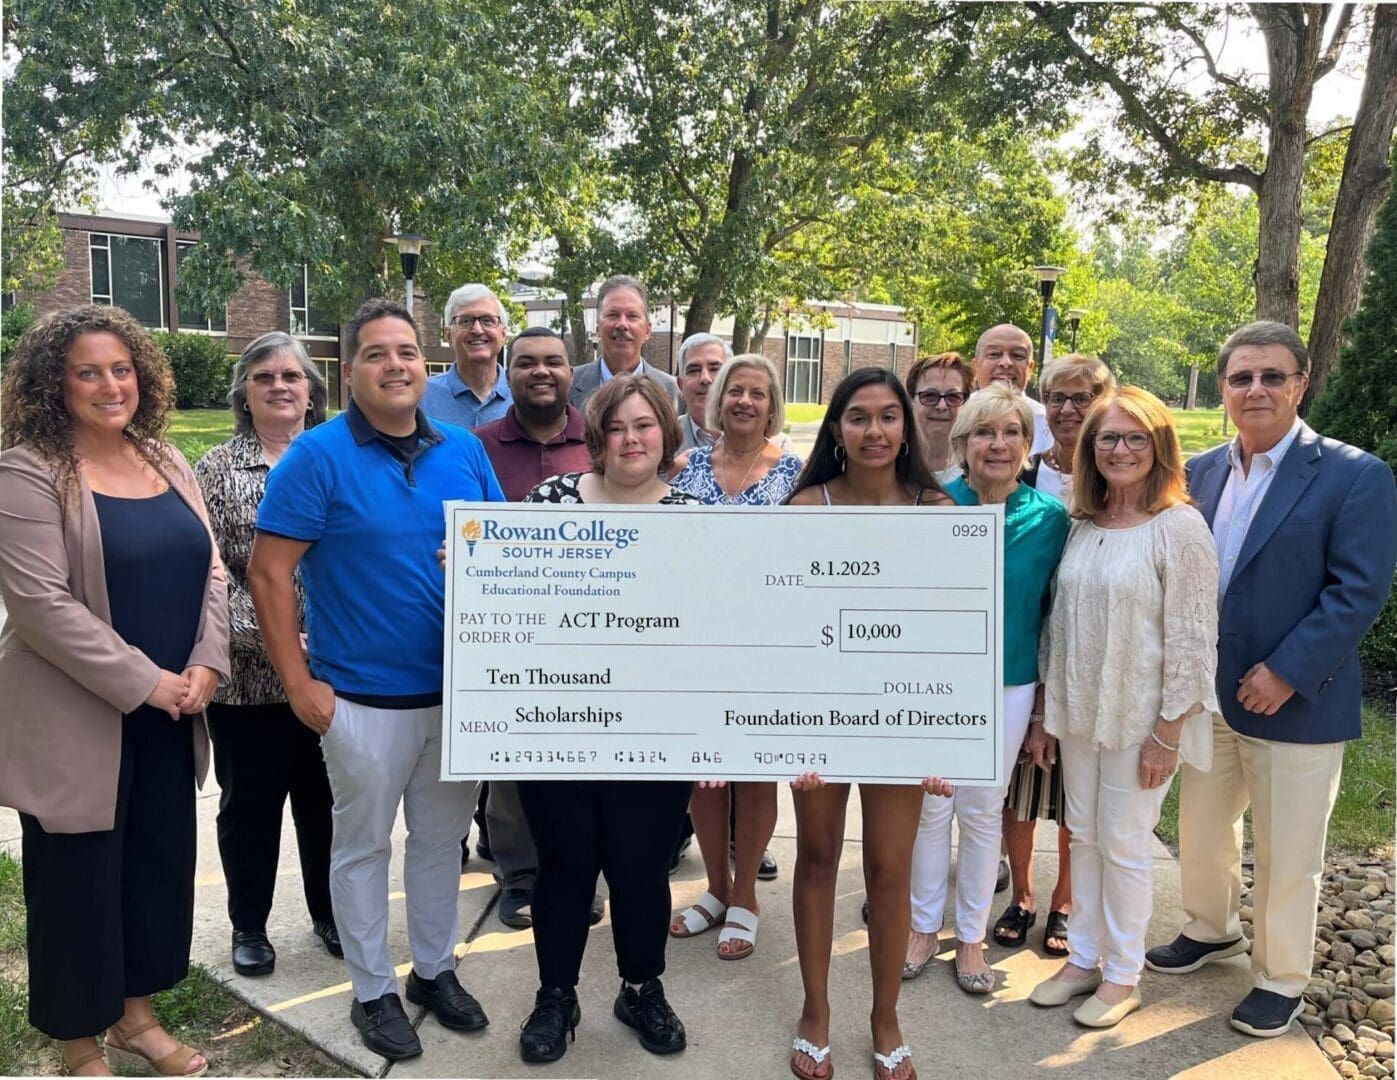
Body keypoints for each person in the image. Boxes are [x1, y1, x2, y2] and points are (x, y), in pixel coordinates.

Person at [248, 298, 505, 1062]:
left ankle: (433, 970)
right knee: (362, 848)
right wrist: (299, 685)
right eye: (376, 354)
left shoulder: (462, 449)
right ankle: (371, 990)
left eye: (407, 352)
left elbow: (501, 557)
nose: (396, 365)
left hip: (454, 696)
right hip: (360, 697)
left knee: (439, 842)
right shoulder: (316, 457)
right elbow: (268, 574)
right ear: (349, 371)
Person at [1146, 321, 1397, 1038]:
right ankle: (1209, 925)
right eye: (1240, 378)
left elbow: (1357, 591)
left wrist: (1286, 673)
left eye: (1271, 376)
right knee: (1200, 829)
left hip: (1296, 701)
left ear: (1300, 383)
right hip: (1207, 695)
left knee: (1288, 852)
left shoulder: (1354, 474)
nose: (1254, 389)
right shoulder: (1197, 472)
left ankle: (1280, 977)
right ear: (1223, 388)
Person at [0, 305, 230, 1078]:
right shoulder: (27, 471)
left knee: (154, 869)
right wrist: (149, 683)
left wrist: (204, 665)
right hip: (78, 720)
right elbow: (42, 609)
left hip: (172, 711)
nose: (110, 385)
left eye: (122, 368)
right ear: (52, 383)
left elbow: (214, 570)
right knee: (75, 888)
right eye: (87, 372)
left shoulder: (166, 459)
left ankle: (135, 1019)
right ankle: (76, 1045)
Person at [513, 375, 700, 1066]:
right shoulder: (547, 503)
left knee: (640, 867)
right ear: (597, 436)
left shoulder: (694, 519)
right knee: (562, 866)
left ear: (665, 436)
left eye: (645, 426)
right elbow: (510, 601)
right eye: (618, 427)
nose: (631, 439)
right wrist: (472, 568)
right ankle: (555, 996)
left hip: (655, 733)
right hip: (558, 722)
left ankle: (639, 987)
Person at [1029, 386, 1220, 1028]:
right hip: (1080, 712)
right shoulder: (1083, 524)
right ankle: (1083, 958)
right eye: (1108, 438)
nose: (1120, 449)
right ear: (1090, 449)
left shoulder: (1180, 527)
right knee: (1082, 837)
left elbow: (1194, 638)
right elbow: (1058, 625)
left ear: (1159, 446)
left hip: (1142, 719)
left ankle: (1122, 974)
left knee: (1126, 844)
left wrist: (1169, 731)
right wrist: (1048, 714)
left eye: (1135, 437)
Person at [783, 368, 954, 1080]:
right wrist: (785, 730)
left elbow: (953, 635)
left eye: (889, 416)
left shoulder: (940, 510)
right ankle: (815, 1009)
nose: (875, 431)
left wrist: (951, 733)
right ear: (835, 430)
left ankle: (885, 1016)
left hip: (902, 717)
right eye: (858, 417)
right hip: (819, 714)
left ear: (905, 428)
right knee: (818, 857)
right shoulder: (801, 507)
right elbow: (776, 629)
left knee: (889, 870)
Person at [903, 385, 1069, 992]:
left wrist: (1042, 708)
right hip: (935, 680)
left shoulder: (1050, 521)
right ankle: (922, 928)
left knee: (979, 809)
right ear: (962, 443)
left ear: (1028, 446)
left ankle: (969, 939)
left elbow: (1054, 616)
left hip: (1008, 684)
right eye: (983, 433)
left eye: (1010, 433)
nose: (997, 444)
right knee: (929, 808)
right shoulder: (934, 504)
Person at [194, 333, 338, 978]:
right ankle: (249, 925)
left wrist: (326, 645)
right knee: (250, 807)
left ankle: (331, 913)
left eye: (292, 375)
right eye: (263, 377)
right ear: (244, 395)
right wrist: (284, 644)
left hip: (339, 674)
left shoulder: (339, 459)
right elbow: (214, 573)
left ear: (313, 391)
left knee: (328, 803)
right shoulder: (216, 471)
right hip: (250, 682)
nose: (280, 385)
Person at [666, 354, 802, 960]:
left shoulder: (796, 474)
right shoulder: (685, 467)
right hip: (693, 643)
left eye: (757, 393)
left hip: (768, 647)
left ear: (772, 406)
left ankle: (745, 894)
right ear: (716, 401)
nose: (745, 401)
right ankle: (715, 888)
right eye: (734, 391)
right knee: (704, 773)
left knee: (752, 772)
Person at [470, 326, 599, 930]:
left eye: (553, 362)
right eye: (525, 363)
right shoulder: (475, 446)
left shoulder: (599, 441)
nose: (540, 372)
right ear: (506, 371)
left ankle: (577, 875)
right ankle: (519, 878)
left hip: (594, 632)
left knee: (583, 767)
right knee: (513, 768)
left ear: (572, 371)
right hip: (509, 636)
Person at [992, 353, 1116, 958]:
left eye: (1083, 397)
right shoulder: (1027, 471)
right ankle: (1022, 894)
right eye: (1058, 397)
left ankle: (1064, 902)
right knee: (1019, 787)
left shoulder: (1116, 469)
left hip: (1084, 659)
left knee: (1070, 788)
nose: (1069, 409)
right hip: (1024, 650)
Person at [568, 275, 680, 411]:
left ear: (647, 330)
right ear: (598, 328)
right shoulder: (568, 386)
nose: (622, 324)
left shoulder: (674, 392)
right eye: (612, 315)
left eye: (632, 316)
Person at [421, 282, 512, 429]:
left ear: (503, 335)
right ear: (448, 334)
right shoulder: (421, 397)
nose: (477, 330)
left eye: (487, 321)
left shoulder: (522, 397)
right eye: (465, 321)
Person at [969, 324, 1052, 454]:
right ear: (976, 366)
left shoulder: (1046, 424)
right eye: (994, 354)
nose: (1006, 363)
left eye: (1017, 355)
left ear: (1030, 369)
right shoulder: (957, 414)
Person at [904, 351, 973, 485]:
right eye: (930, 396)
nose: (942, 406)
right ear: (911, 401)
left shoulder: (977, 468)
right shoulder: (890, 467)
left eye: (953, 397)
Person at [675, 333, 731, 452]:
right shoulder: (664, 439)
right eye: (694, 370)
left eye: (715, 369)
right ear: (681, 385)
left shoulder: (766, 443)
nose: (705, 379)